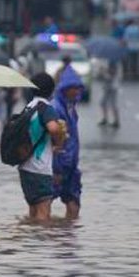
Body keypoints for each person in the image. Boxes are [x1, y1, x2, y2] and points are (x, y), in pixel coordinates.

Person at [18, 73, 63, 221]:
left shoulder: (27, 108)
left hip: (25, 167)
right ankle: (40, 244)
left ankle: (31, 243)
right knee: (44, 214)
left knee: (33, 211)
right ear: (51, 91)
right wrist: (58, 143)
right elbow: (54, 128)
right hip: (40, 169)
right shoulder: (46, 109)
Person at [52, 66, 84, 219]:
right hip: (59, 166)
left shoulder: (71, 107)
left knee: (74, 205)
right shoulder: (56, 108)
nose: (77, 91)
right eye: (74, 88)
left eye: (79, 88)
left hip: (71, 166)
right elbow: (56, 141)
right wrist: (57, 169)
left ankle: (66, 236)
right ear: (65, 88)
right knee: (42, 207)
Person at [98, 61, 120, 127]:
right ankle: (105, 119)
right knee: (103, 103)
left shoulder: (113, 62)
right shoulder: (107, 62)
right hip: (107, 87)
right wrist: (102, 72)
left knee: (113, 104)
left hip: (113, 87)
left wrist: (105, 72)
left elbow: (112, 75)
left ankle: (116, 121)